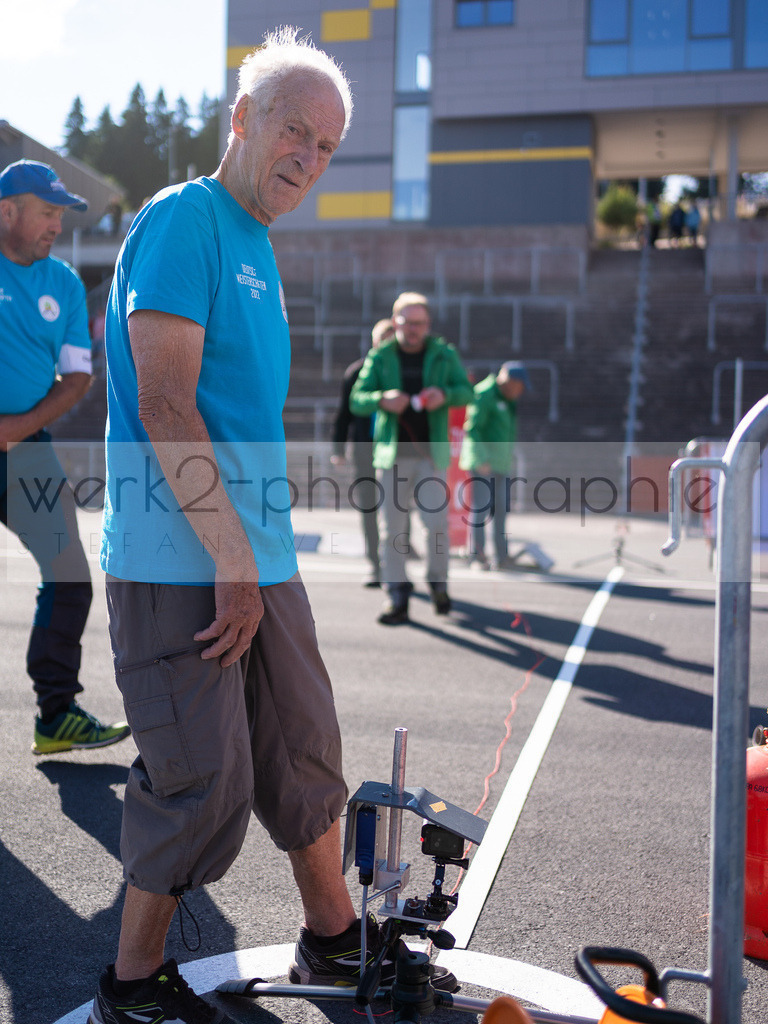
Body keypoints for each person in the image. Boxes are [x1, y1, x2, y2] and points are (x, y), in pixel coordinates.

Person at [90, 29, 454, 1024]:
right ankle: (131, 982)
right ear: (241, 121)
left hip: (256, 555)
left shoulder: (255, 243)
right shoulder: (183, 221)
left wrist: (259, 560)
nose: (311, 155)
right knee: (197, 780)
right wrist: (234, 562)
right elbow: (166, 404)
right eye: (296, 129)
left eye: (329, 145)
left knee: (303, 755)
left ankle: (333, 939)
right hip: (183, 563)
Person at [0, 159, 130, 756]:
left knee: (70, 576)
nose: (57, 225)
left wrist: (17, 428)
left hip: (26, 451)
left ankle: (55, 716)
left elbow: (77, 377)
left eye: (61, 214)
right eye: (48, 212)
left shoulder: (66, 284)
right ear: (8, 211)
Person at [350, 292, 473, 625]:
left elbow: (467, 391)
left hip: (430, 456)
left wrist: (444, 395)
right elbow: (357, 399)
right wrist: (381, 398)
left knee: (436, 526)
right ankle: (397, 596)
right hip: (391, 456)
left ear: (427, 324)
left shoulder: (443, 354)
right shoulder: (381, 355)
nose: (414, 329)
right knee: (392, 530)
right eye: (408, 322)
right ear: (395, 322)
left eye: (420, 323)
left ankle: (437, 583)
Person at [330, 318, 394, 587]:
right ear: (374, 343)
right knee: (368, 507)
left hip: (394, 450)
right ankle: (375, 565)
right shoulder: (357, 372)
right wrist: (338, 449)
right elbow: (344, 414)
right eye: (385, 341)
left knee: (395, 506)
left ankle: (395, 564)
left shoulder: (400, 372)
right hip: (365, 450)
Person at [459, 361, 529, 571]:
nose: (521, 391)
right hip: (484, 463)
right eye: (519, 386)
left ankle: (502, 556)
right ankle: (477, 556)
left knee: (501, 510)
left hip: (501, 463)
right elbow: (473, 429)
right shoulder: (484, 394)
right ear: (509, 381)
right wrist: (481, 459)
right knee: (480, 510)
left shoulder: (508, 399)